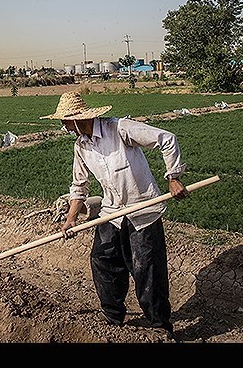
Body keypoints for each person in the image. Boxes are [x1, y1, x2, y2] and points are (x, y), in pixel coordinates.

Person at [41, 91, 189, 337]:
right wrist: (70, 219)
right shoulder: (81, 146)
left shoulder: (119, 129)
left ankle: (159, 326)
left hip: (143, 211)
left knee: (147, 270)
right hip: (112, 212)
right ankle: (113, 318)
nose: (63, 126)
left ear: (78, 118)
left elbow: (167, 138)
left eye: (65, 121)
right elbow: (79, 186)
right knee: (103, 260)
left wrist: (173, 178)